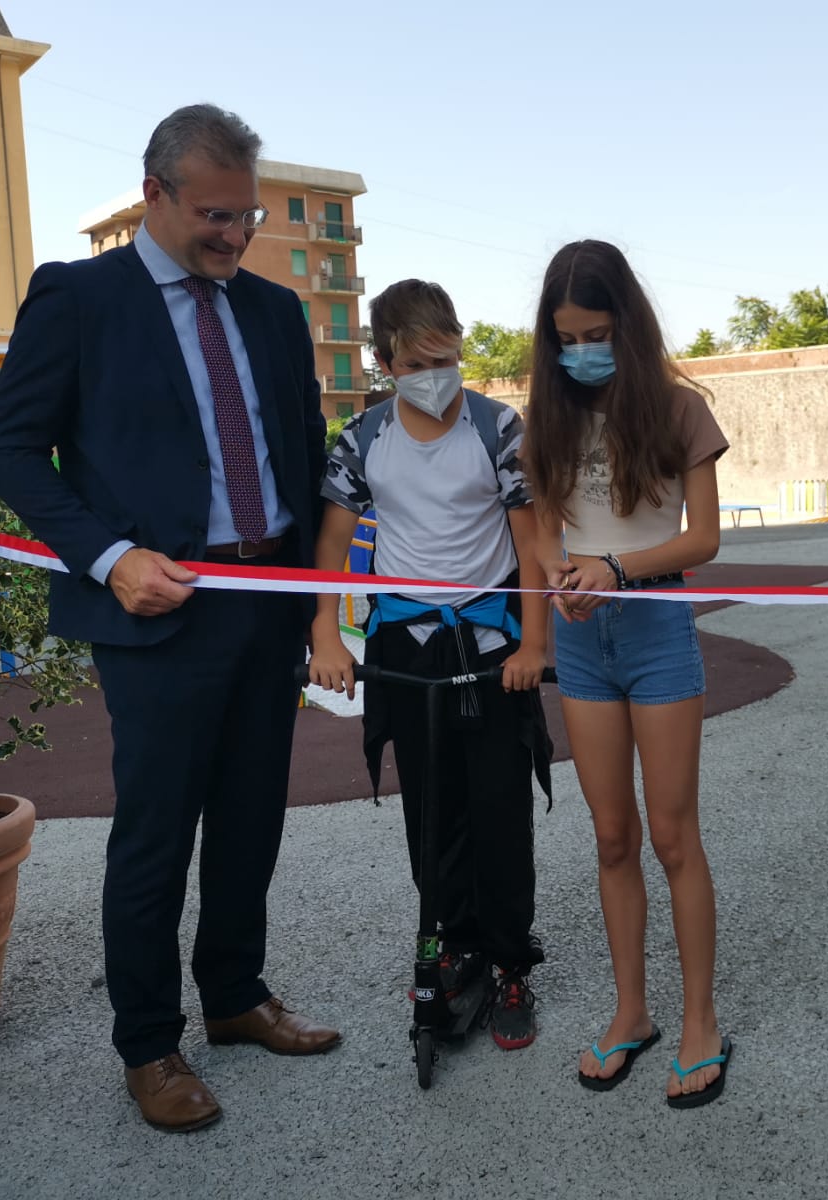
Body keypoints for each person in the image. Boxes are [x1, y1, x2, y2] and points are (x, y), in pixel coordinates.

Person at [0, 105, 337, 1134]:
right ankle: (150, 1045)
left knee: (251, 817)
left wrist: (318, 608)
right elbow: (6, 450)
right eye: (216, 215)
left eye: (249, 216)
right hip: (155, 608)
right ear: (155, 195)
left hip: (263, 604)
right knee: (155, 833)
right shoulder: (79, 298)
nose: (235, 235)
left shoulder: (272, 309)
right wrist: (109, 555)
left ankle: (233, 996)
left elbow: (304, 464)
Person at [307, 279, 551, 1051]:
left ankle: (512, 961)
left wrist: (534, 645)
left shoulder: (499, 428)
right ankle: (455, 939)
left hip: (489, 641)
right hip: (404, 646)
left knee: (501, 803)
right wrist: (324, 633)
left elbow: (533, 544)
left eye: (447, 357)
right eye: (418, 361)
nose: (437, 374)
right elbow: (333, 541)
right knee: (432, 808)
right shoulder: (360, 439)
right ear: (385, 362)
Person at [522, 240, 731, 1107]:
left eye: (596, 333)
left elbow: (705, 538)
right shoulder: (547, 419)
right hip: (581, 643)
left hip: (652, 630)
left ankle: (699, 1023)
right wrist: (561, 578)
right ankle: (631, 1013)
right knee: (612, 838)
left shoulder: (679, 409)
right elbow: (539, 527)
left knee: (673, 834)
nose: (580, 352)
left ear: (628, 326)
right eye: (566, 338)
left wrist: (615, 568)